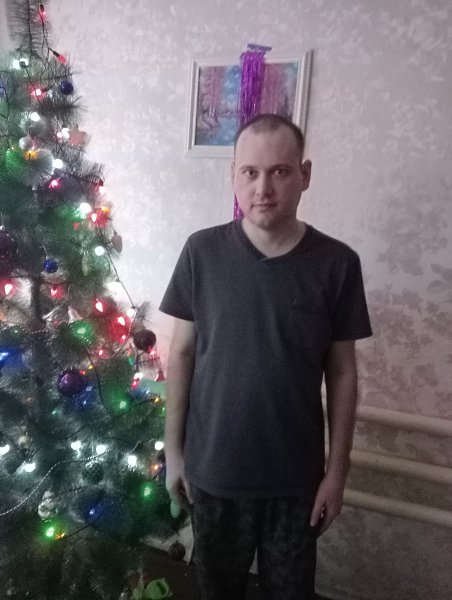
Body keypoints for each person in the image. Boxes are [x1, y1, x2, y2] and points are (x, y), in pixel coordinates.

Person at [160, 113, 372, 600]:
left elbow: (343, 373)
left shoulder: (337, 264)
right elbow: (182, 353)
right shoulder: (201, 252)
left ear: (305, 174)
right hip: (213, 474)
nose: (263, 188)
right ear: (233, 174)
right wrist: (174, 453)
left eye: (280, 171)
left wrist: (337, 473)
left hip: (295, 483)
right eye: (250, 172)